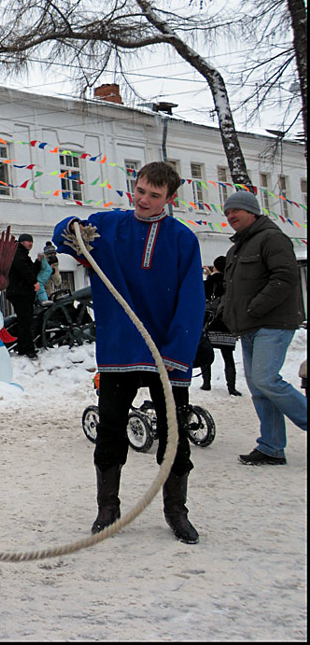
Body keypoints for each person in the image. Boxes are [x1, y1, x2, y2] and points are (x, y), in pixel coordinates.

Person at [53, 161, 204, 544]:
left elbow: (191, 303)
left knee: (174, 436)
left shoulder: (182, 239)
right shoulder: (108, 227)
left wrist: (176, 354)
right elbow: (64, 236)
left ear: (169, 199)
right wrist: (72, 229)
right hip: (120, 349)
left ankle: (176, 510)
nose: (144, 200)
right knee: (110, 430)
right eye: (140, 191)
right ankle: (108, 507)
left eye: (154, 195)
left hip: (165, 354)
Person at [219, 190, 307, 466]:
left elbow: (286, 276)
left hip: (272, 323)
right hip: (248, 326)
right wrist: (225, 312)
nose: (231, 216)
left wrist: (255, 307)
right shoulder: (237, 248)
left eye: (236, 211)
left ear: (252, 211)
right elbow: (233, 290)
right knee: (259, 387)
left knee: (267, 380)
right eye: (227, 213)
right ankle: (271, 447)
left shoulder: (272, 238)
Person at [203, 255, 242, 396]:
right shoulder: (231, 283)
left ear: (215, 267)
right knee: (228, 356)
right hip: (226, 321)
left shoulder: (209, 282)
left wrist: (209, 276)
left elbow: (203, 295)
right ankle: (231, 387)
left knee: (206, 353)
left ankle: (206, 383)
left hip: (210, 321)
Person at [7, 233, 40, 358]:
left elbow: (29, 270)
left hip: (20, 292)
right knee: (25, 321)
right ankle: (27, 349)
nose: (30, 244)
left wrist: (37, 263)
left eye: (31, 241)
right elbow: (24, 270)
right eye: (27, 241)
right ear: (21, 242)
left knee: (25, 320)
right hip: (20, 293)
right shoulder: (18, 254)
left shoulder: (21, 254)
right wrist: (34, 282)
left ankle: (23, 347)